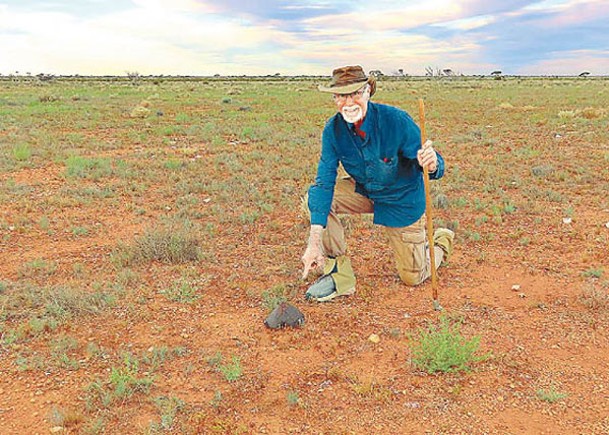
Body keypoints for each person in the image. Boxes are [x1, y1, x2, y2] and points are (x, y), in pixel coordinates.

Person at [301, 65, 454, 302]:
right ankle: (339, 275)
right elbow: (324, 182)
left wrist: (432, 163)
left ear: (368, 92)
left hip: (401, 201)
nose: (349, 102)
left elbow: (431, 164)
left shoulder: (397, 121)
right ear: (334, 99)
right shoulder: (333, 130)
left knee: (413, 276)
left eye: (355, 93)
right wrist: (314, 243)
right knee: (317, 199)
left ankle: (440, 243)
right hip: (364, 190)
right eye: (342, 95)